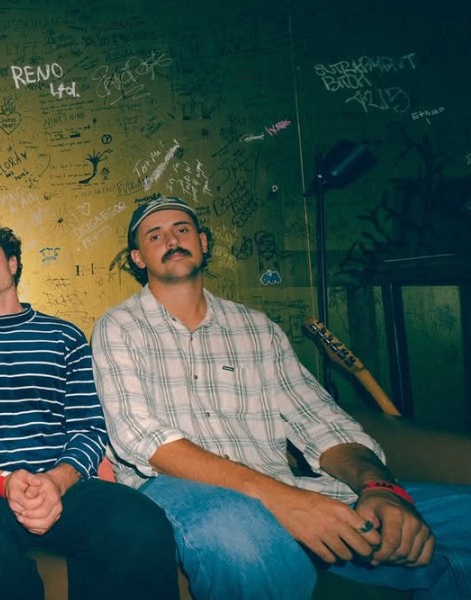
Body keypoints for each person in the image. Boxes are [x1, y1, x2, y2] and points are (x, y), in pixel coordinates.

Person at [91, 194, 471, 599]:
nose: (172, 240)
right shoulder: (119, 327)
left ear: (202, 241)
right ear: (138, 258)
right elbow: (141, 437)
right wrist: (283, 502)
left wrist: (380, 488)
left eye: (182, 229)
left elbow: (321, 421)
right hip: (176, 488)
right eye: (155, 235)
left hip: (281, 484)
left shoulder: (257, 329)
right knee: (237, 532)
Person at [0, 221, 178, 600]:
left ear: (13, 263)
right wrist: (2, 481)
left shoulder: (64, 336)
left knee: (140, 523)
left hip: (63, 485)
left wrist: (56, 481)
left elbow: (89, 428)